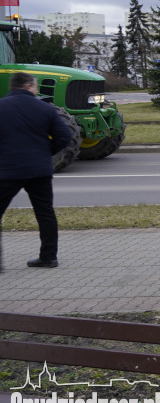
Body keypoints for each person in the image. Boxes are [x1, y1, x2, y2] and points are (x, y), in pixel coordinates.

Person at [0, 72, 72, 270]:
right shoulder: (45, 109)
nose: (37, 89)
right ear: (27, 86)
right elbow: (65, 136)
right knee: (45, 213)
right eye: (35, 86)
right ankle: (48, 257)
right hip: (39, 170)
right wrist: (44, 153)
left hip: (7, 170)